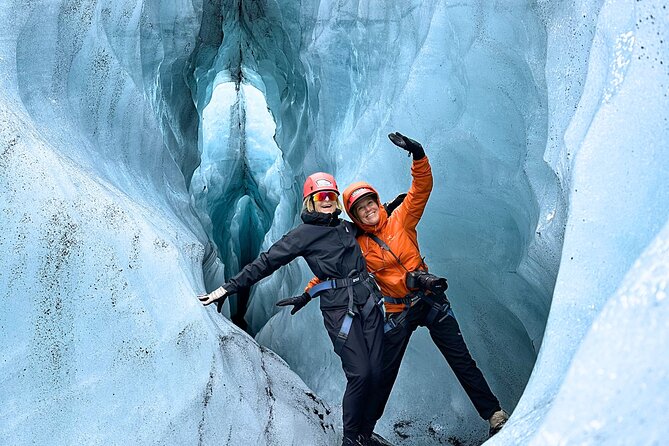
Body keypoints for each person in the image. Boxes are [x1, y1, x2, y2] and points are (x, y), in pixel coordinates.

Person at [341, 132, 509, 439]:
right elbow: (333, 264)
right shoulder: (359, 246)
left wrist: (418, 156)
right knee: (382, 375)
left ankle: (494, 414)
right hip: (398, 312)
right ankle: (362, 434)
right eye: (360, 209)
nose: (368, 210)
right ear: (355, 216)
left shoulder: (400, 220)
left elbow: (420, 190)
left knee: (461, 359)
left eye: (370, 203)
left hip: (430, 300)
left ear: (378, 201)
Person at [198, 173, 385, 446]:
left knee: (378, 372)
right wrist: (229, 287)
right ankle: (350, 439)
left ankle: (364, 435)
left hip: (368, 302)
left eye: (331, 196)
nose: (327, 201)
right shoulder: (302, 235)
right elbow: (267, 261)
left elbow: (373, 226)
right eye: (321, 196)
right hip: (340, 310)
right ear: (309, 201)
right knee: (361, 373)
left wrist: (390, 208)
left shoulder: (346, 227)